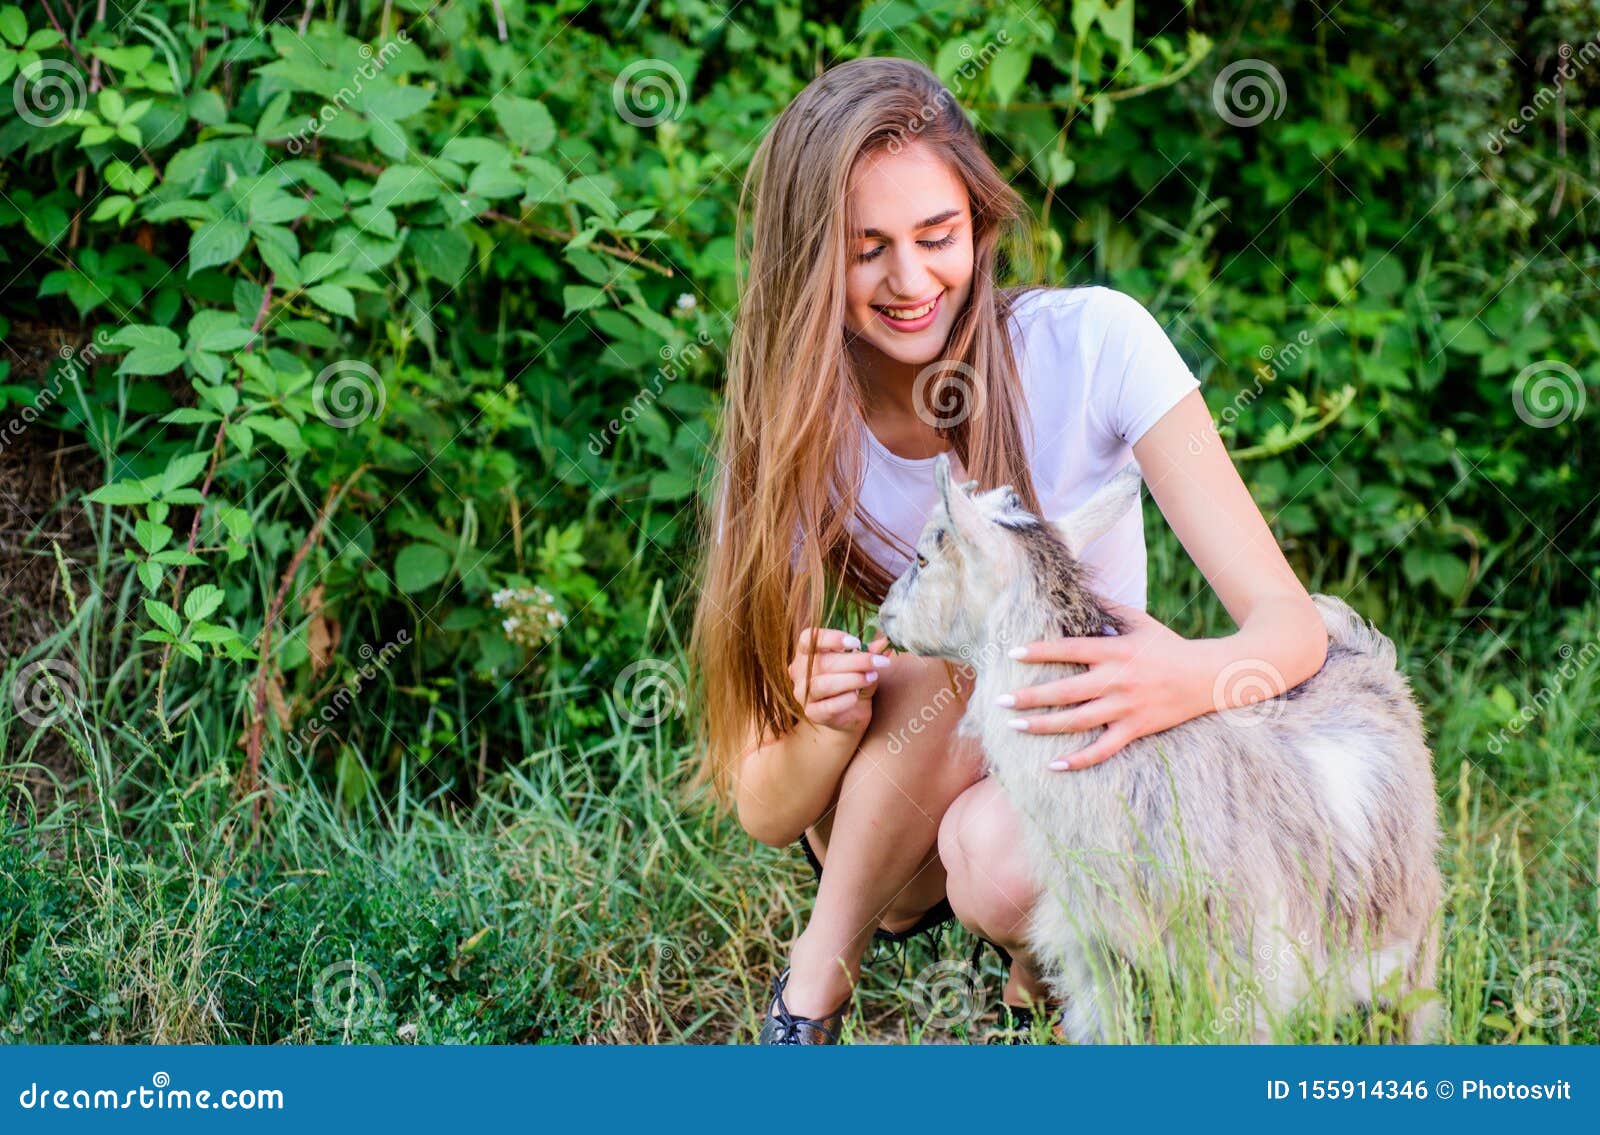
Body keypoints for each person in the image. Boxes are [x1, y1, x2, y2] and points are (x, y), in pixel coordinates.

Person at [686, 56, 1330, 1045]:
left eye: (936, 236)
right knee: (977, 643)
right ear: (806, 259)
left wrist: (1184, 674)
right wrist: (821, 722)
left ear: (981, 226)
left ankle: (1036, 986)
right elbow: (768, 811)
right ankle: (814, 982)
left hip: (1072, 790)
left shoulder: (1096, 345)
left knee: (995, 841)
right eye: (865, 251)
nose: (910, 282)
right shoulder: (792, 426)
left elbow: (1290, 628)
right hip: (895, 825)